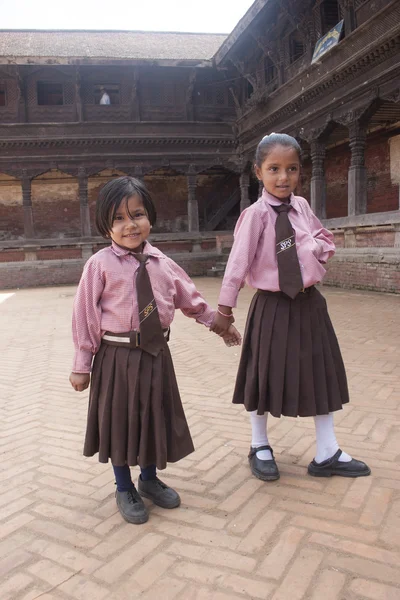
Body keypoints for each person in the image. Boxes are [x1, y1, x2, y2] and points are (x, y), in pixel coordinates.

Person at [69, 176, 241, 524]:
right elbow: (84, 315)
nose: (130, 224)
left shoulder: (163, 263)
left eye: (137, 214)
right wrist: (82, 363)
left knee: (151, 416)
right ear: (105, 226)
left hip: (156, 354)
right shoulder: (99, 265)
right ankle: (123, 486)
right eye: (118, 218)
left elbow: (190, 300)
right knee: (119, 421)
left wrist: (218, 324)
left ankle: (148, 479)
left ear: (150, 218)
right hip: (117, 356)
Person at [211, 133, 370, 482]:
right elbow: (237, 264)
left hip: (310, 304)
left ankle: (327, 451)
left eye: (291, 169)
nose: (283, 177)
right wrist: (224, 311)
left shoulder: (302, 208)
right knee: (263, 372)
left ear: (300, 172)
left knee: (320, 371)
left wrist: (312, 249)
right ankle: (259, 444)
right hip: (271, 306)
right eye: (274, 169)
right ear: (258, 172)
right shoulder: (255, 216)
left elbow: (324, 239)